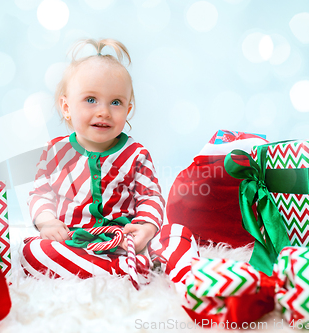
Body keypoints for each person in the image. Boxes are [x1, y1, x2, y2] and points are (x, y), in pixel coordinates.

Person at [20, 38, 198, 285]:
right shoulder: (55, 151)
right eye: (90, 99)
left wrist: (145, 227)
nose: (103, 111)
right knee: (32, 252)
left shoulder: (136, 153)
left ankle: (135, 265)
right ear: (66, 106)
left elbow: (150, 196)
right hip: (74, 241)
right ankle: (119, 271)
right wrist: (47, 222)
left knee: (177, 234)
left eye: (116, 102)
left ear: (128, 109)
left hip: (126, 241)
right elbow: (40, 193)